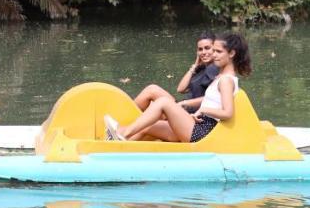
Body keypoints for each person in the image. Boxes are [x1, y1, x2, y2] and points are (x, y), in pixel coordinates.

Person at [107, 33, 252, 143]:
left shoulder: (226, 80)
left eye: (218, 52)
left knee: (163, 102)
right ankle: (116, 143)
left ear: (232, 54)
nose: (213, 55)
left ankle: (123, 135)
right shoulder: (221, 77)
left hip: (202, 132)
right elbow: (181, 89)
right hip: (197, 125)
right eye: (213, 51)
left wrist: (202, 110)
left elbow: (228, 113)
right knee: (149, 125)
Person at [132, 32, 218, 115]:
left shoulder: (213, 69)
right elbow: (181, 89)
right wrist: (195, 66)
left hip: (189, 113)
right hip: (182, 107)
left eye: (207, 48)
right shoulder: (201, 68)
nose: (203, 52)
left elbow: (214, 98)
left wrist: (184, 103)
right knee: (150, 101)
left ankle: (125, 118)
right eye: (200, 49)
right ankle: (127, 120)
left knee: (152, 90)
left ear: (215, 49)